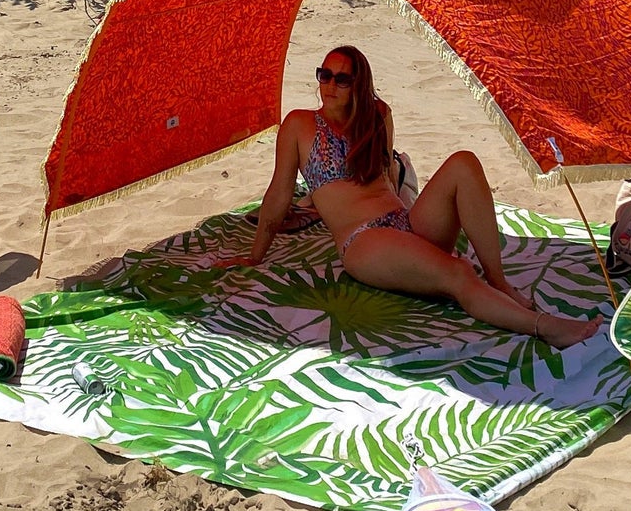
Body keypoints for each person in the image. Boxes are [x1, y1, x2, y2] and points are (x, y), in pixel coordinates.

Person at [216, 46, 604, 349]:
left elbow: (387, 177)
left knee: (463, 163)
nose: (329, 85)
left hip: (404, 224)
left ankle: (498, 280)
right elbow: (279, 193)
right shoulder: (299, 125)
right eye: (324, 75)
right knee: (457, 273)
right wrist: (255, 255)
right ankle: (546, 328)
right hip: (364, 241)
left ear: (359, 85)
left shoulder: (377, 116)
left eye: (341, 79)